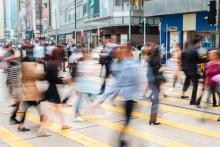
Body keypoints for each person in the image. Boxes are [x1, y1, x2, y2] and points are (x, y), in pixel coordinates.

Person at [92, 45, 140, 146]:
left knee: (127, 122)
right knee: (127, 122)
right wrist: (100, 100)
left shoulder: (120, 64)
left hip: (128, 97)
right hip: (128, 98)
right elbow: (117, 84)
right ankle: (120, 141)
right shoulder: (126, 65)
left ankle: (121, 140)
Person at [38, 46, 71, 135]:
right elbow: (53, 79)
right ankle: (42, 129)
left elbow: (48, 77)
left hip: (51, 88)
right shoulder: (54, 64)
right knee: (52, 110)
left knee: (57, 107)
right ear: (59, 55)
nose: (64, 57)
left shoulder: (51, 63)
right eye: (63, 55)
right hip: (53, 89)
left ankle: (63, 123)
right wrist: (64, 81)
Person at [18, 56, 45, 132]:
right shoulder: (29, 67)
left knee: (29, 107)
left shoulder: (23, 67)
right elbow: (36, 76)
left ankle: (20, 125)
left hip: (27, 91)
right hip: (32, 91)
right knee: (38, 106)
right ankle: (43, 122)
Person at [181, 36, 207, 105]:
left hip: (186, 70)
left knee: (188, 82)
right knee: (195, 85)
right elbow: (199, 60)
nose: (200, 45)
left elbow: (183, 59)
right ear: (196, 43)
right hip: (192, 70)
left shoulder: (187, 49)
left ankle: (184, 94)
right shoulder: (194, 51)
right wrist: (207, 59)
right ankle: (193, 101)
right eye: (199, 43)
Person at [73, 48, 97, 121]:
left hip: (88, 84)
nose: (88, 54)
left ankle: (92, 111)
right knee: (80, 99)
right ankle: (76, 115)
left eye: (89, 53)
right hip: (82, 84)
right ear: (83, 54)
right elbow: (79, 74)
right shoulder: (81, 62)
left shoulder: (88, 62)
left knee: (92, 97)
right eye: (86, 53)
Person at [1, 45, 21, 124]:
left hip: (13, 84)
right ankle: (12, 118)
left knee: (18, 102)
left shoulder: (11, 64)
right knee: (18, 102)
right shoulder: (14, 64)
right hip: (15, 84)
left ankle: (13, 117)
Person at [146, 46, 165, 125]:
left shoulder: (152, 59)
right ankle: (153, 120)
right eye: (161, 52)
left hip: (152, 82)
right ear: (159, 53)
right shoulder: (156, 60)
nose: (162, 54)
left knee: (155, 101)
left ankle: (152, 119)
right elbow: (156, 71)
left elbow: (149, 72)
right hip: (155, 82)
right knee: (156, 102)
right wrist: (161, 69)